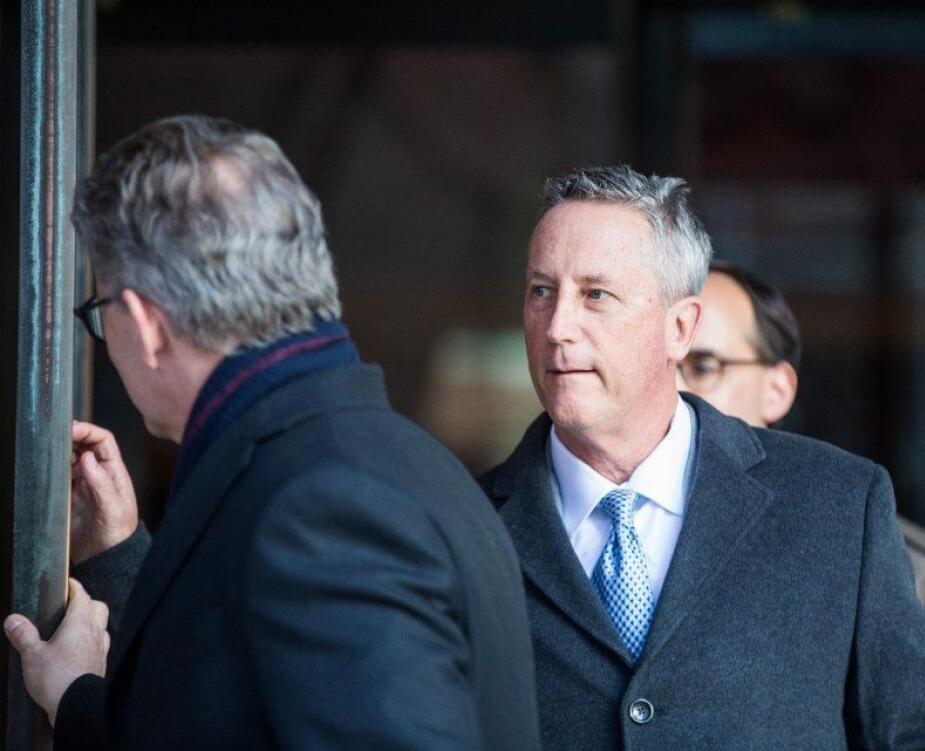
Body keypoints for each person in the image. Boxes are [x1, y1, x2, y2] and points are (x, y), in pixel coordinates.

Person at [3, 115, 540, 750]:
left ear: (146, 325)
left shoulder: (325, 506)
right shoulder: (382, 462)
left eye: (100, 314)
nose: (105, 341)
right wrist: (83, 691)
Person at [479, 164, 925, 748]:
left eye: (595, 295)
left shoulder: (837, 507)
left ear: (680, 327)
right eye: (542, 291)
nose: (558, 326)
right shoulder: (464, 525)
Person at [682, 259, 925, 751]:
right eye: (664, 365)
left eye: (704, 366)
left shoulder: (882, 559)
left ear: (778, 389)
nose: (676, 390)